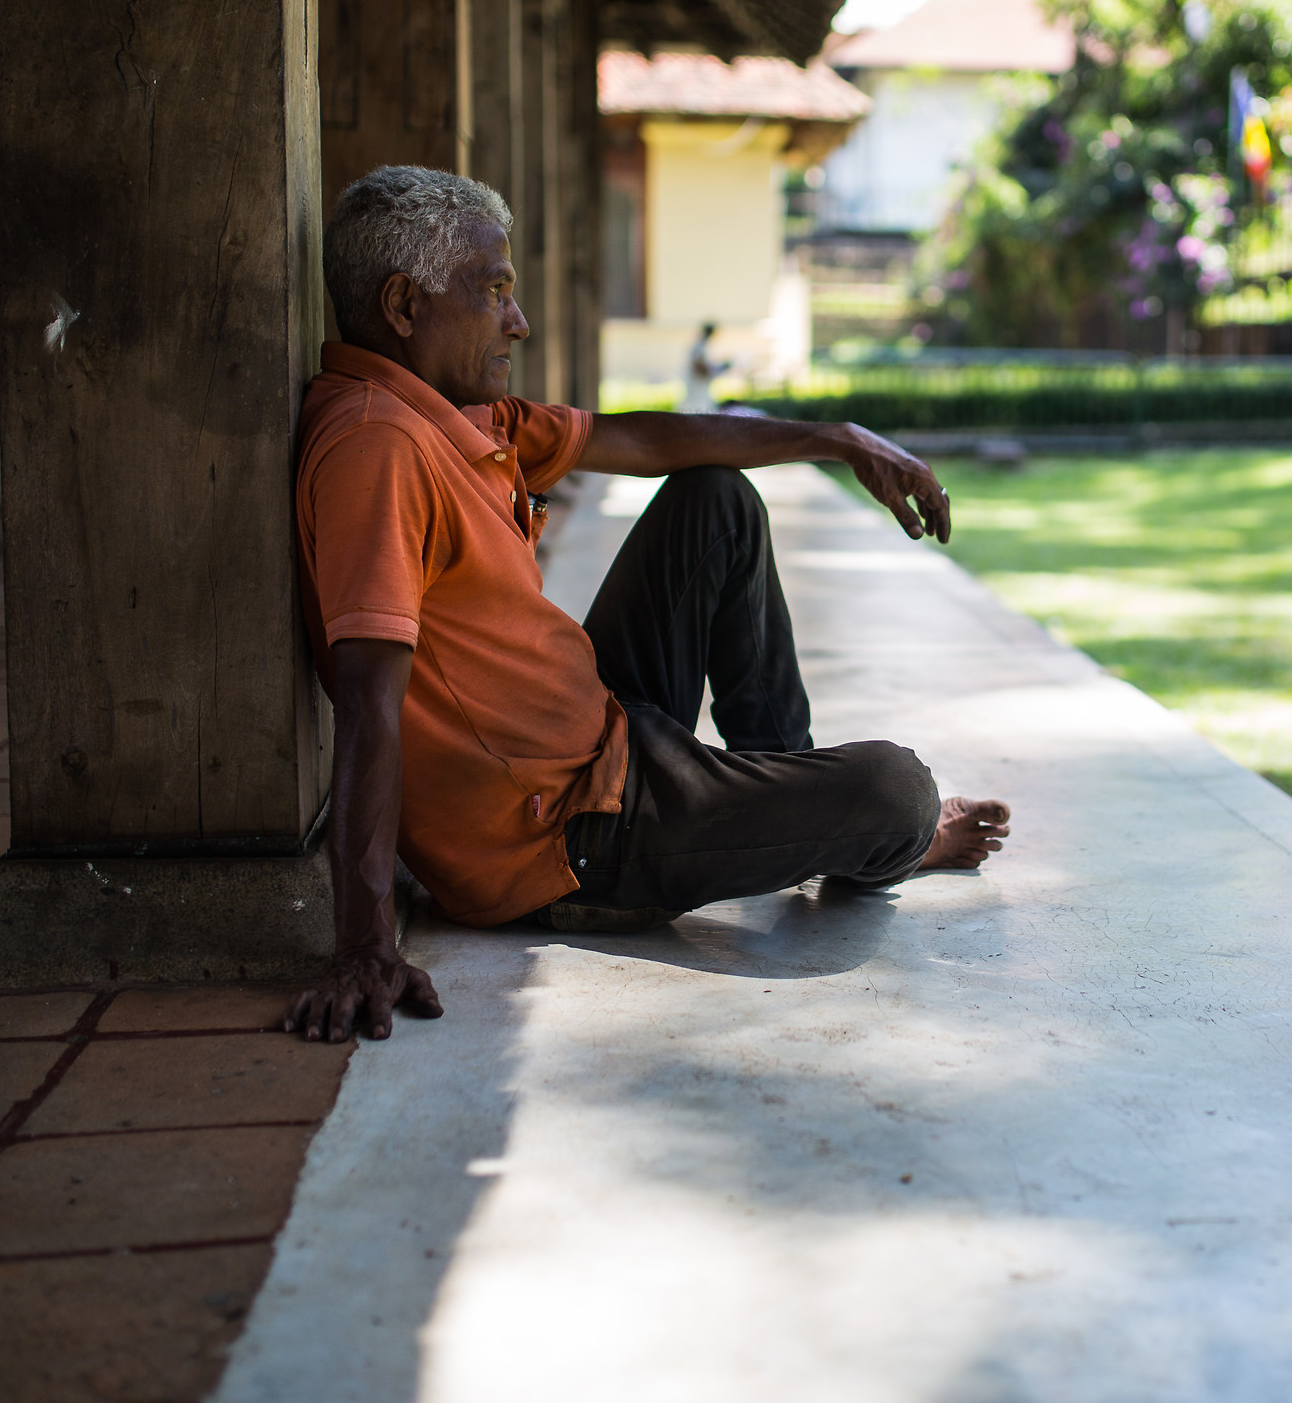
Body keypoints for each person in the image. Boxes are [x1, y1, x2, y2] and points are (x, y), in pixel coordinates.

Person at [284, 167, 1010, 1043]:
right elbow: (368, 706)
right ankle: (848, 828)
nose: (519, 320)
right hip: (570, 840)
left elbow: (645, 437)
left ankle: (788, 791)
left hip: (609, 735)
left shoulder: (460, 415)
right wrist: (364, 943)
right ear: (404, 306)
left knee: (715, 498)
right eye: (495, 292)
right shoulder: (380, 447)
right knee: (900, 791)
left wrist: (834, 439)